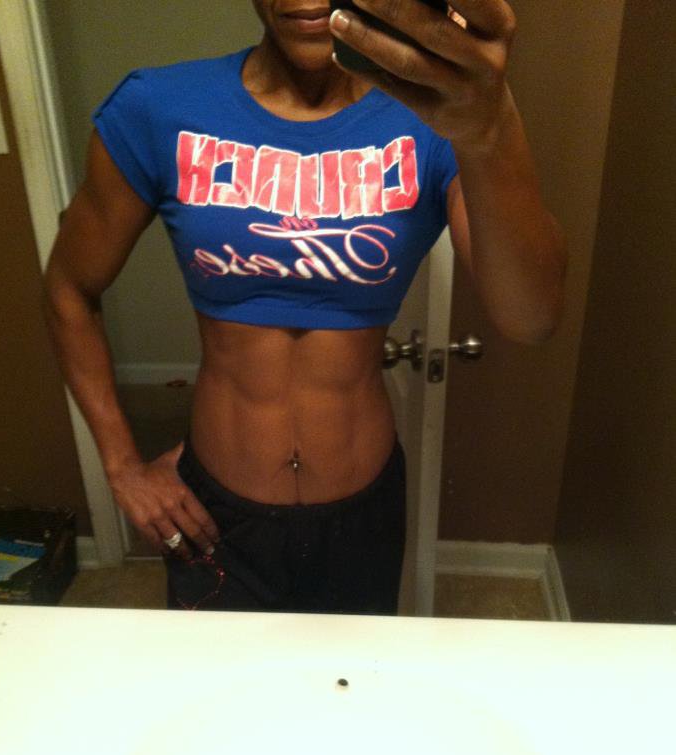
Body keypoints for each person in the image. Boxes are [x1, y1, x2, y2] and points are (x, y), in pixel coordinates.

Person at [43, 0, 567, 615]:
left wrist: (490, 130)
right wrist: (122, 467)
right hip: (216, 515)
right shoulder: (160, 107)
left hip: (361, 512)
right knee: (218, 678)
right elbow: (69, 286)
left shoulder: (437, 116)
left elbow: (531, 317)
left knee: (350, 678)